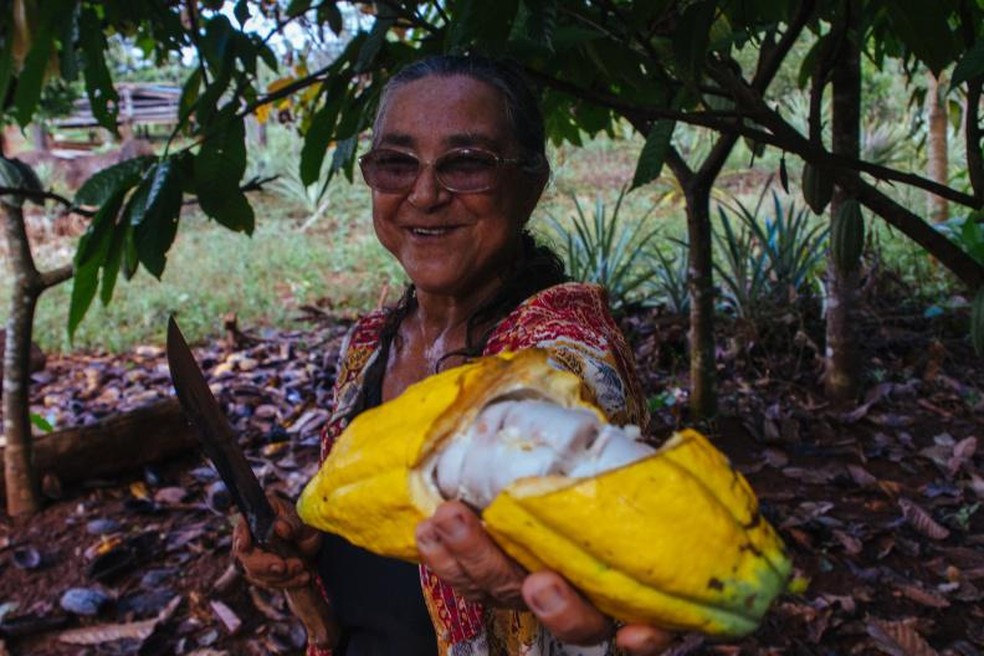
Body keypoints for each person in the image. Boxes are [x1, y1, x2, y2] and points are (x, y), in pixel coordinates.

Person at [233, 54, 675, 656]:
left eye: (467, 163)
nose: (424, 193)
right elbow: (372, 535)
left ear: (530, 184)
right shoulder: (368, 346)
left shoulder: (566, 362)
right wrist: (305, 539)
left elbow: (604, 557)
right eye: (396, 162)